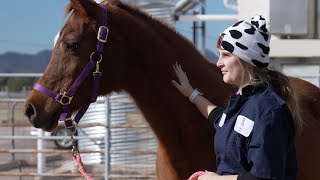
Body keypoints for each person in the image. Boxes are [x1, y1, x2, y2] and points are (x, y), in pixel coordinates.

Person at [171, 15, 301, 180]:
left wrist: (214, 179)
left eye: (225, 55)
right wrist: (191, 93)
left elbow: (264, 177)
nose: (219, 63)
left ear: (247, 60)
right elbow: (220, 120)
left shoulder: (267, 110)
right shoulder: (243, 101)